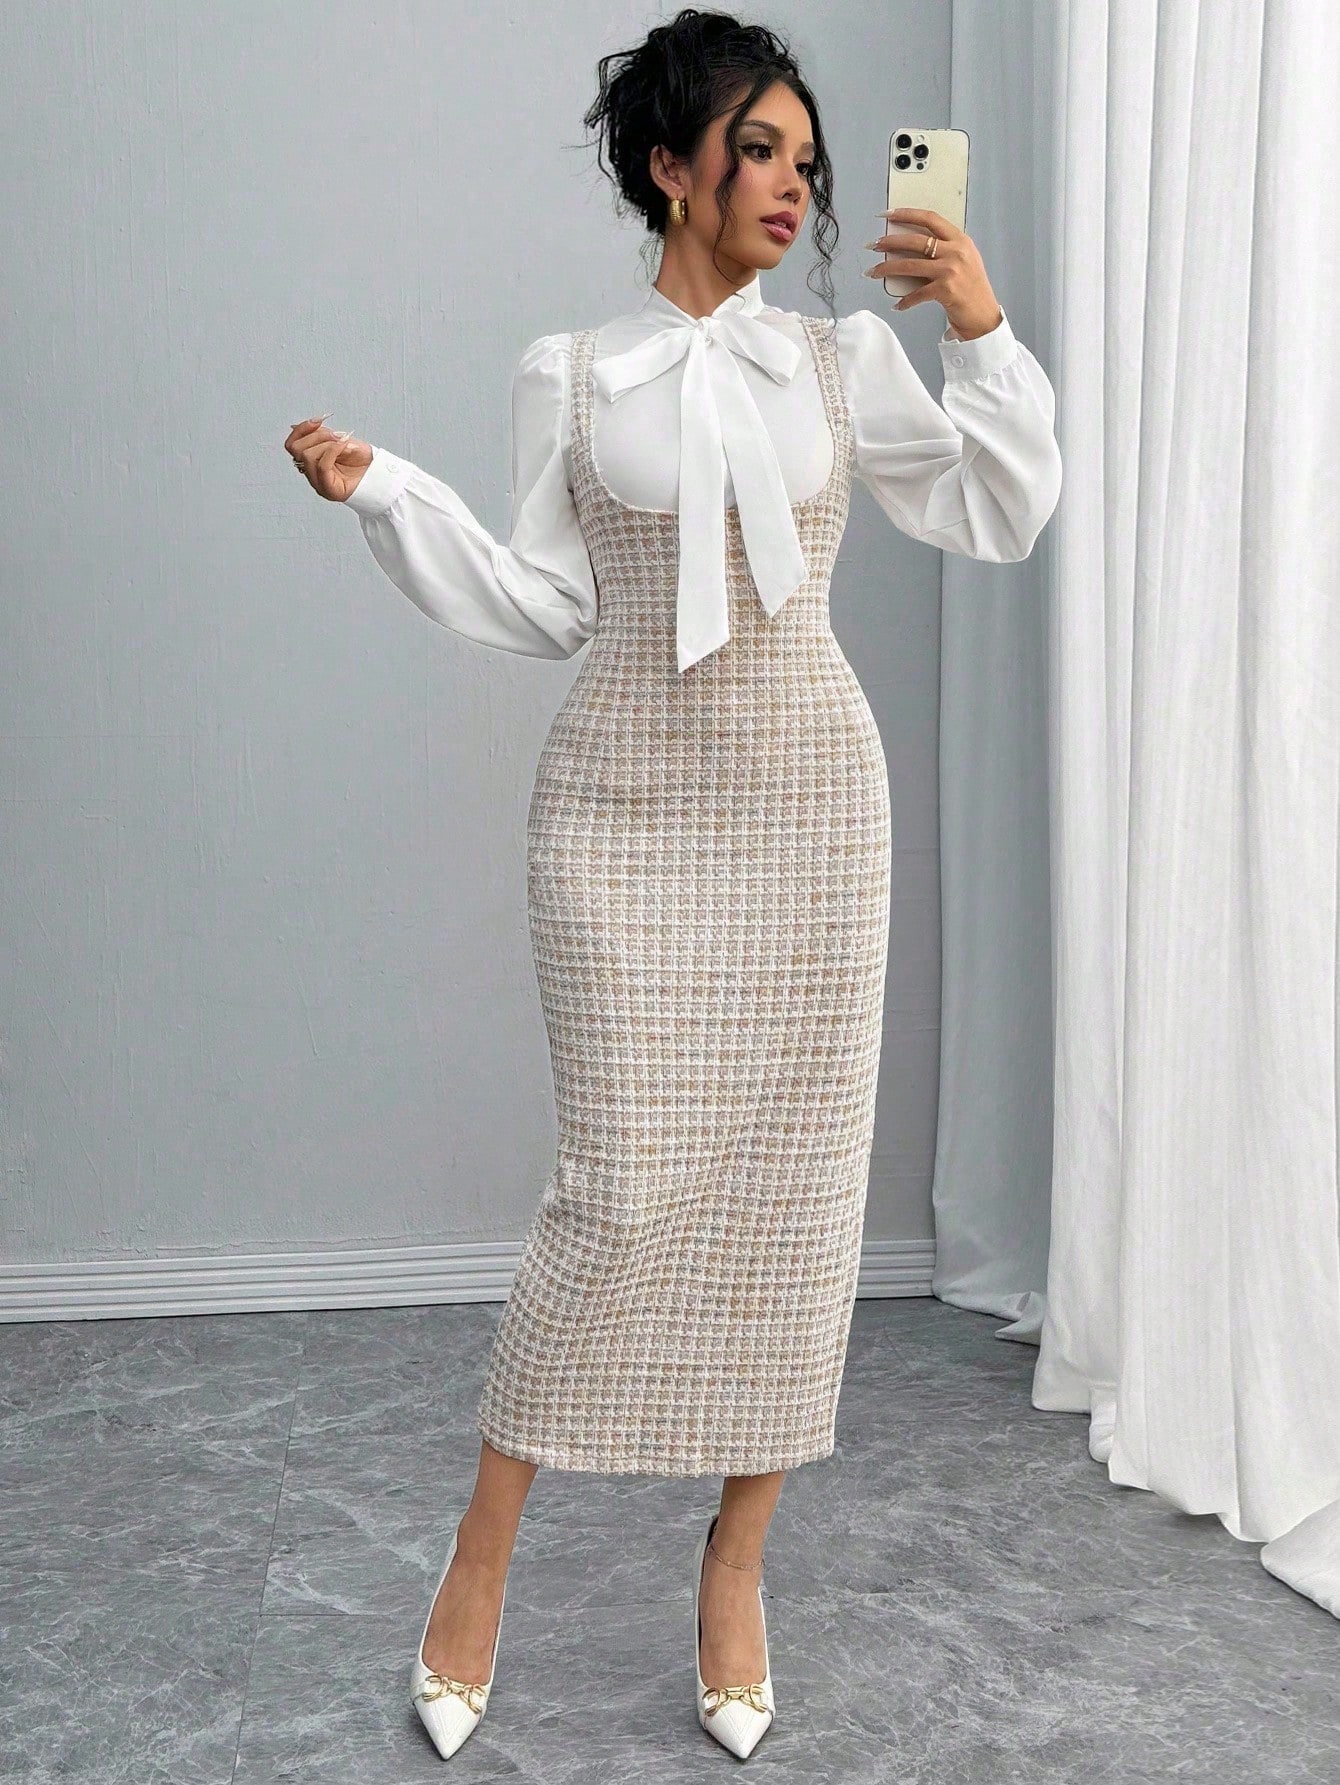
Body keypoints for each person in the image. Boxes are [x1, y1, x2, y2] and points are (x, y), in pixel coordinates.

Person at [284, 7, 1062, 1763]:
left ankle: (737, 1562)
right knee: (617, 1190)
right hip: (622, 813)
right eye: (758, 150)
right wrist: (385, 491)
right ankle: (479, 1558)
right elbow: (545, 603)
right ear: (669, 164)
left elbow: (1004, 508)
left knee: (795, 1201)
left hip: (812, 815)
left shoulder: (843, 363)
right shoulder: (572, 371)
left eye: (807, 159)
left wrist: (977, 322)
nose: (793, 184)